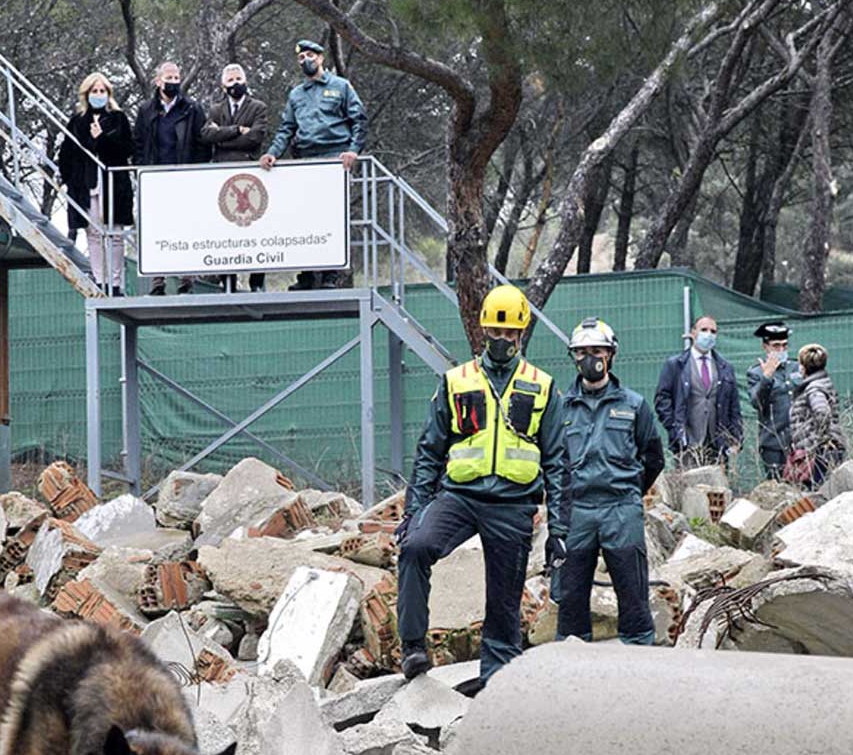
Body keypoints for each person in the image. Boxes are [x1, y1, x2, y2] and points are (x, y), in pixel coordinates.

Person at [395, 285, 567, 692]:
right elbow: (429, 453)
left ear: (522, 334)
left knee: (504, 603)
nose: (503, 340)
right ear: (483, 331)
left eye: (510, 334)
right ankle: (413, 645)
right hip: (460, 498)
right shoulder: (457, 381)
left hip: (513, 505)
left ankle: (495, 688)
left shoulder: (542, 386)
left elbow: (559, 463)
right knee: (416, 548)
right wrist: (412, 512)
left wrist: (559, 529)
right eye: (495, 332)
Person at [555, 318, 665, 646]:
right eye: (583, 351)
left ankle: (638, 651)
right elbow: (554, 462)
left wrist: (631, 492)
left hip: (621, 508)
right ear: (574, 357)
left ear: (611, 354)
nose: (591, 358)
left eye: (598, 350)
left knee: (631, 588)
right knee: (571, 592)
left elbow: (653, 457)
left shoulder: (633, 405)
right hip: (577, 512)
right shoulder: (561, 408)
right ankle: (573, 659)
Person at [259, 38, 367, 291]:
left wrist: (353, 150)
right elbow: (287, 128)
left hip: (334, 158)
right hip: (305, 160)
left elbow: (359, 120)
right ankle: (306, 275)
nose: (306, 60)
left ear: (320, 58)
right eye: (301, 58)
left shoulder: (341, 87)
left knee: (332, 215)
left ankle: (330, 275)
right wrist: (273, 153)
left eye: (310, 55)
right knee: (304, 217)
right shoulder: (296, 94)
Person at [133, 61, 209, 294]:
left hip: (184, 178)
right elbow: (138, 143)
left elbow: (202, 142)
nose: (174, 82)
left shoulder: (192, 109)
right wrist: (142, 169)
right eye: (169, 77)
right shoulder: (146, 110)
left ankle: (187, 280)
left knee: (187, 227)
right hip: (155, 179)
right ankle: (158, 282)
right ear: (158, 81)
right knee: (155, 229)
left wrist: (194, 171)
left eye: (177, 77)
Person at [58, 72, 134, 297]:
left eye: (102, 91)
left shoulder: (119, 118)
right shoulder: (77, 121)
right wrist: (69, 178)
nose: (98, 95)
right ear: (87, 94)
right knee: (93, 233)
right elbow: (67, 153)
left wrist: (103, 137)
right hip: (87, 184)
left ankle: (116, 283)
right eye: (94, 91)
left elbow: (127, 149)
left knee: (115, 233)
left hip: (113, 184)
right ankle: (99, 280)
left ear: (108, 94)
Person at [202, 63, 268, 292]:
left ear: (246, 81)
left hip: (249, 173)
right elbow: (207, 135)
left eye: (238, 79)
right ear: (223, 85)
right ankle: (227, 279)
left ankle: (257, 282)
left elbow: (255, 137)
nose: (235, 84)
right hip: (221, 173)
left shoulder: (258, 107)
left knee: (254, 226)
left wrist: (223, 136)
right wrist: (237, 130)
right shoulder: (215, 109)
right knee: (224, 227)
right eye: (230, 81)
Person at [653, 315, 743, 468]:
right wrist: (675, 429)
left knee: (717, 490)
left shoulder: (725, 368)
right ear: (693, 333)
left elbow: (734, 407)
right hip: (687, 445)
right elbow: (662, 399)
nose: (708, 334)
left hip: (717, 445)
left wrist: (736, 438)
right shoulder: (676, 365)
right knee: (689, 489)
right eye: (704, 330)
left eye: (713, 331)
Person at [787, 342, 846, 488]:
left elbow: (822, 413)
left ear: (803, 366)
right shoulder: (822, 383)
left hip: (821, 452)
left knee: (818, 494)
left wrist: (817, 443)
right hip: (825, 450)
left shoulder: (814, 389)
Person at [747, 321, 793, 479]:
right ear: (765, 347)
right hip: (774, 444)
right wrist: (767, 377)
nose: (781, 350)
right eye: (776, 346)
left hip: (799, 441)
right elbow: (757, 403)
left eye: (784, 346)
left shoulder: (797, 367)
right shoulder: (757, 373)